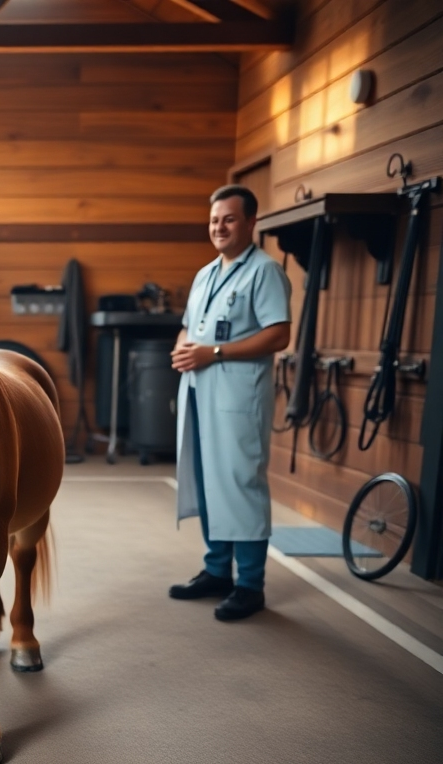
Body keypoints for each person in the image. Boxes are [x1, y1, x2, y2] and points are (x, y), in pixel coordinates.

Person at [169, 184, 292, 621]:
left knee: (241, 483)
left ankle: (250, 585)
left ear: (251, 222)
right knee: (208, 481)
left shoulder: (265, 271)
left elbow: (279, 334)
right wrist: (183, 347)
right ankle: (217, 570)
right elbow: (189, 326)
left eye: (229, 219)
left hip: (238, 397)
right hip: (199, 391)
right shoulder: (206, 273)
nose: (219, 227)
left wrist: (214, 353)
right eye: (214, 220)